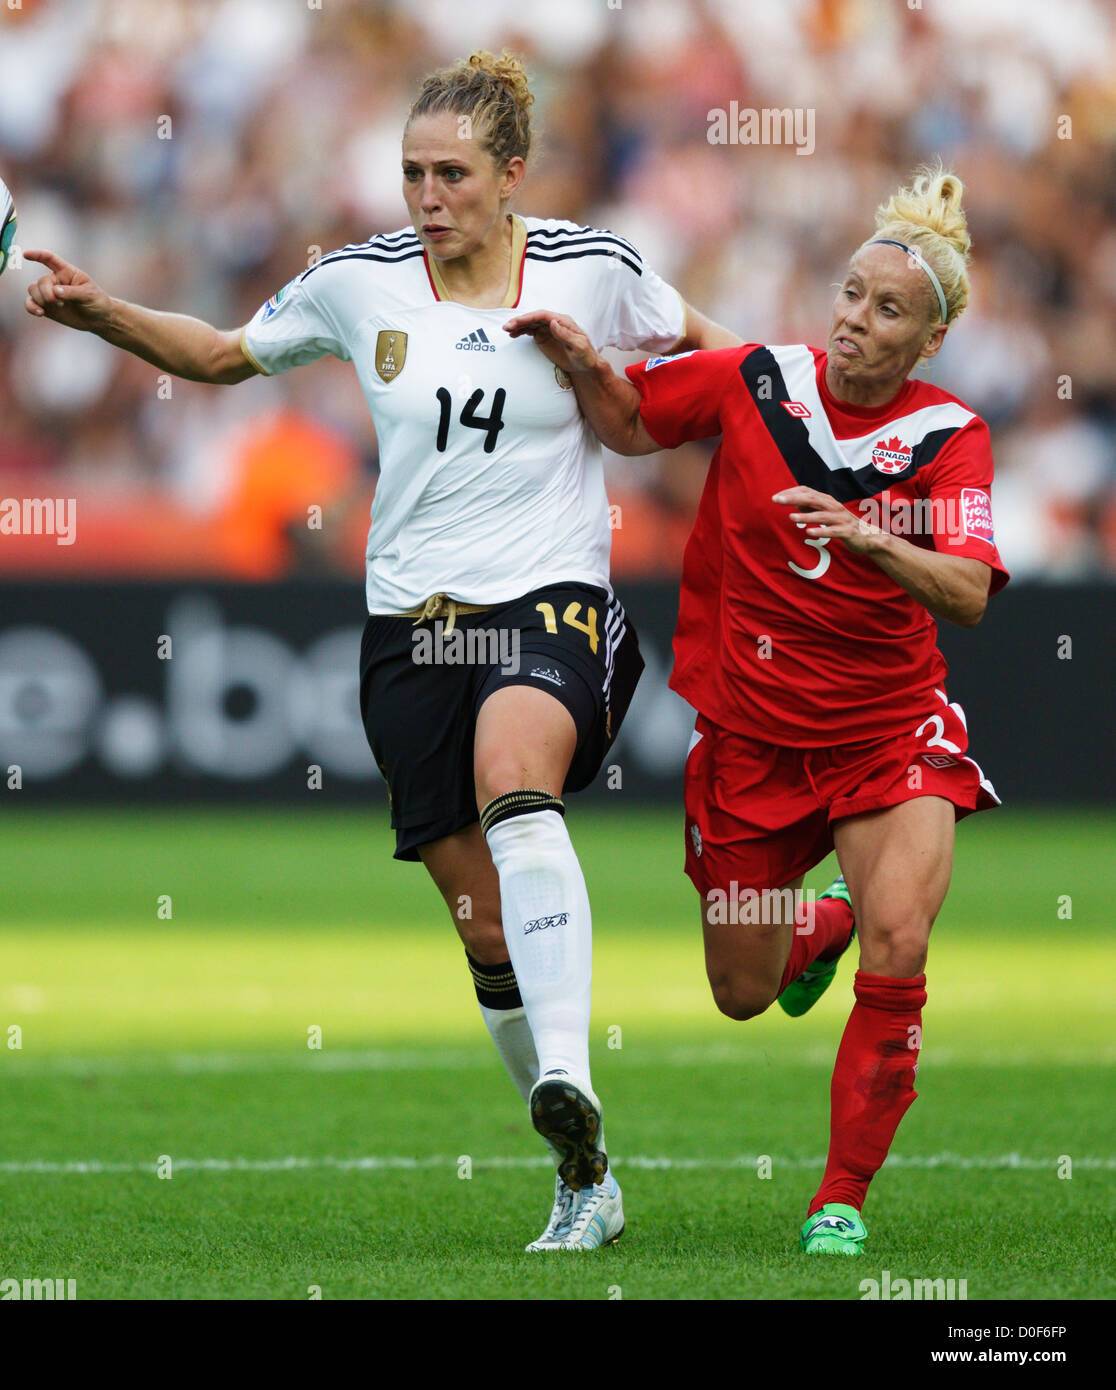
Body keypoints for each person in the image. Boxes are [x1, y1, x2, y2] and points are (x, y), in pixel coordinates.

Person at [21, 49, 740, 1251]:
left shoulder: (592, 270)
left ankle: (571, 1069)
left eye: (451, 172)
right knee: (483, 928)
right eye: (411, 171)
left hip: (550, 601)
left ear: (512, 175)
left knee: (520, 772)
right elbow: (214, 355)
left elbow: (727, 366)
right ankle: (583, 1169)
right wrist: (102, 315)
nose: (426, 194)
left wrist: (792, 426)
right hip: (413, 631)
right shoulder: (356, 285)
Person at [506, 167, 1009, 1254]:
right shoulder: (758, 378)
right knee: (742, 988)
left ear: (927, 344)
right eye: (849, 294)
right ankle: (816, 923)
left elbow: (968, 590)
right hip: (752, 741)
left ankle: (839, 1196)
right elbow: (636, 425)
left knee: (902, 944)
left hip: (889, 731)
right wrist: (583, 359)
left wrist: (873, 537)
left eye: (887, 311)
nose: (854, 321)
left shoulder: (948, 436)